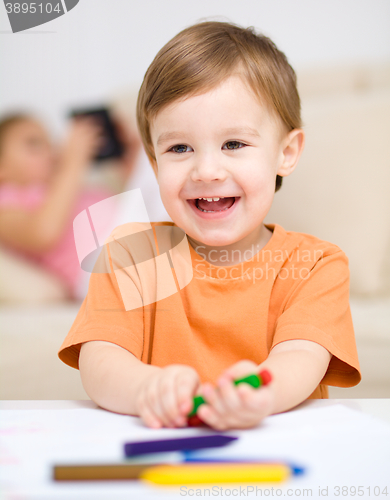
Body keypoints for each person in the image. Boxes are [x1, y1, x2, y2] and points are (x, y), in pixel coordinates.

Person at [58, 21, 361, 430]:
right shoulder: (131, 254)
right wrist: (148, 387)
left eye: (233, 144)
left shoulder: (315, 264)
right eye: (179, 148)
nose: (207, 170)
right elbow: (100, 361)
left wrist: (262, 391)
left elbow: (300, 357)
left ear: (285, 153)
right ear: (154, 163)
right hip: (162, 457)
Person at [0, 112, 140, 300]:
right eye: (34, 144)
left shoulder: (69, 186)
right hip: (99, 265)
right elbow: (42, 233)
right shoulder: (8, 199)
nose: (51, 151)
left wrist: (130, 163)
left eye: (51, 143)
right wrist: (73, 162)